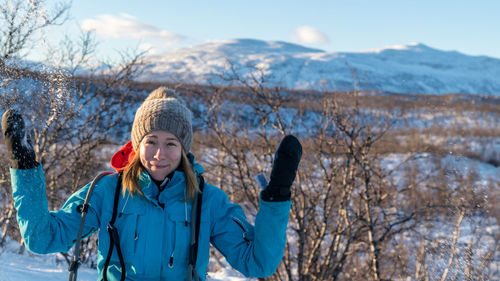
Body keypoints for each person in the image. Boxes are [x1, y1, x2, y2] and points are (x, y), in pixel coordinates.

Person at [1, 87, 302, 281]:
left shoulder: (206, 201)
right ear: (136, 144)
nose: (159, 154)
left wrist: (277, 195)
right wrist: (25, 167)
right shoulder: (108, 192)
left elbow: (258, 263)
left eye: (171, 143)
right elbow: (42, 238)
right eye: (151, 141)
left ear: (184, 149)